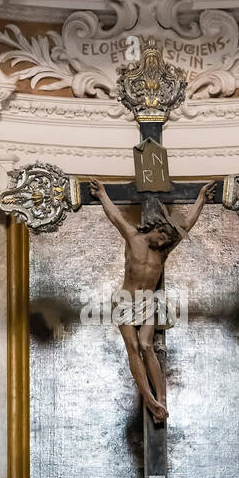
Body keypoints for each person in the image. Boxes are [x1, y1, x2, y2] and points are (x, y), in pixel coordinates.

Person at [89, 178, 214, 422]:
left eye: (169, 241)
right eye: (164, 238)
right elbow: (115, 216)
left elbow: (187, 224)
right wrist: (103, 194)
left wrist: (200, 198)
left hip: (147, 301)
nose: (166, 243)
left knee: (147, 346)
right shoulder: (133, 237)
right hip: (125, 301)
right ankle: (148, 398)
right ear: (157, 229)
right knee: (133, 347)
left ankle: (163, 400)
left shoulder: (164, 248)